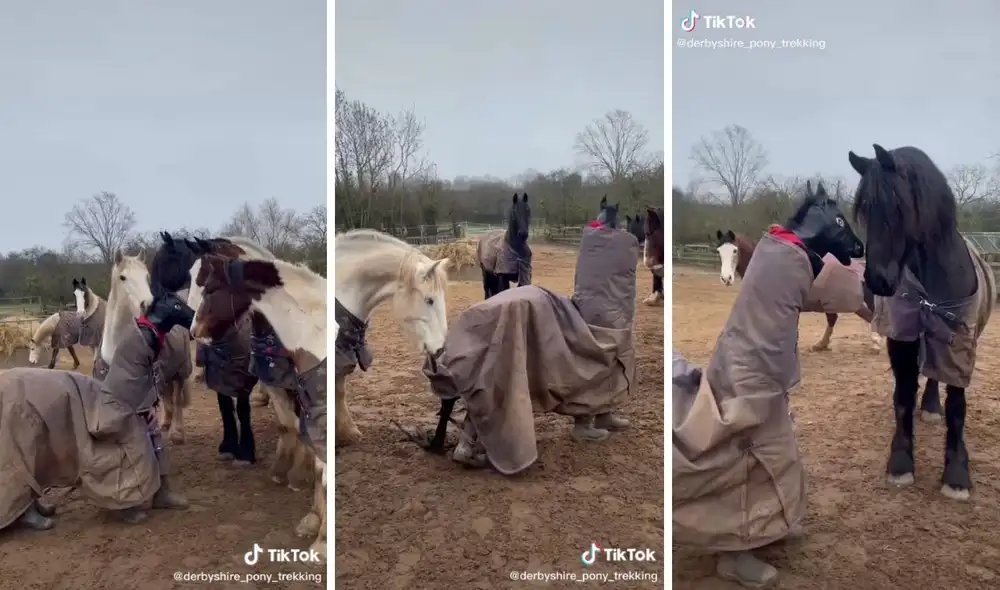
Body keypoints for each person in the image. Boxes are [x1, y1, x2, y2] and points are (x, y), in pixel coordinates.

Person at [673, 186, 866, 588]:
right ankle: (733, 552)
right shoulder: (788, 257)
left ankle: (770, 523)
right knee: (741, 458)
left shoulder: (778, 249)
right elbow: (840, 293)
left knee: (778, 452)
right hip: (749, 374)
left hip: (761, 370)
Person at [1, 293, 194, 531]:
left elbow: (143, 378)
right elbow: (127, 381)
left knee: (142, 437)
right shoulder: (139, 338)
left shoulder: (150, 335)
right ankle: (23, 510)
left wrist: (148, 405)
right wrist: (143, 408)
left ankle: (157, 492)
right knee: (27, 446)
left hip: (71, 395)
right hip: (25, 398)